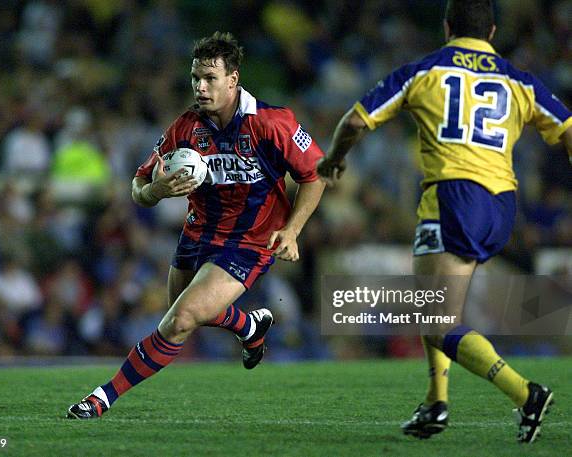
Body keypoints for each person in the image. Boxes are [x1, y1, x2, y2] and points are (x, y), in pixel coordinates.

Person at [317, 0, 571, 444]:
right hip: (502, 204)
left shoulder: (426, 70)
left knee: (433, 314)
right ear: (491, 32)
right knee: (434, 307)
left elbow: (356, 121)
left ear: (447, 26)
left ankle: (525, 393)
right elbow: (568, 129)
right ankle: (436, 403)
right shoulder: (519, 79)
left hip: (454, 196)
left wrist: (334, 162)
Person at [67, 32, 325, 419]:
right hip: (197, 233)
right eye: (195, 78)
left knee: (179, 321)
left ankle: (101, 398)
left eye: (210, 78)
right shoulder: (185, 128)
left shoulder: (272, 123)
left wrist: (292, 231)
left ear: (233, 79)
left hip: (249, 242)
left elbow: (315, 176)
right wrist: (155, 190)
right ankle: (249, 328)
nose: (200, 87)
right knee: (183, 314)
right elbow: (138, 187)